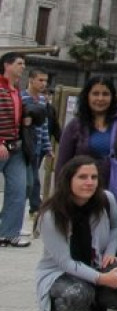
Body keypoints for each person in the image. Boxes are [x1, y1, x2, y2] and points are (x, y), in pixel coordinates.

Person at [34, 156, 117, 311]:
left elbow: (116, 226)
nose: (89, 182)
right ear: (68, 180)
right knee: (79, 293)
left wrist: (110, 252)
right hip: (61, 272)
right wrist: (102, 278)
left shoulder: (106, 199)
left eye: (94, 177)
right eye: (82, 177)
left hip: (96, 262)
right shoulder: (51, 214)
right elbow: (64, 262)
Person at [56, 76, 117, 238]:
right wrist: (60, 194)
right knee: (85, 240)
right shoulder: (76, 125)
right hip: (85, 191)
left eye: (105, 94)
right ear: (87, 96)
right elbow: (63, 162)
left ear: (112, 97)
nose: (100, 99)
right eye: (95, 94)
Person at [0, 51, 30, 247]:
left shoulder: (17, 90)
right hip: (2, 145)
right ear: (7, 65)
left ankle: (9, 233)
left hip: (16, 148)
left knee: (19, 190)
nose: (23, 67)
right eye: (19, 63)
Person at [22, 68, 56, 218]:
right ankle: (34, 208)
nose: (44, 84)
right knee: (30, 181)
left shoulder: (42, 100)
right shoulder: (20, 97)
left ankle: (32, 208)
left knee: (31, 181)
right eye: (40, 80)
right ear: (31, 80)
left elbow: (44, 125)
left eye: (46, 81)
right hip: (21, 146)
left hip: (35, 147)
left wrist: (47, 147)